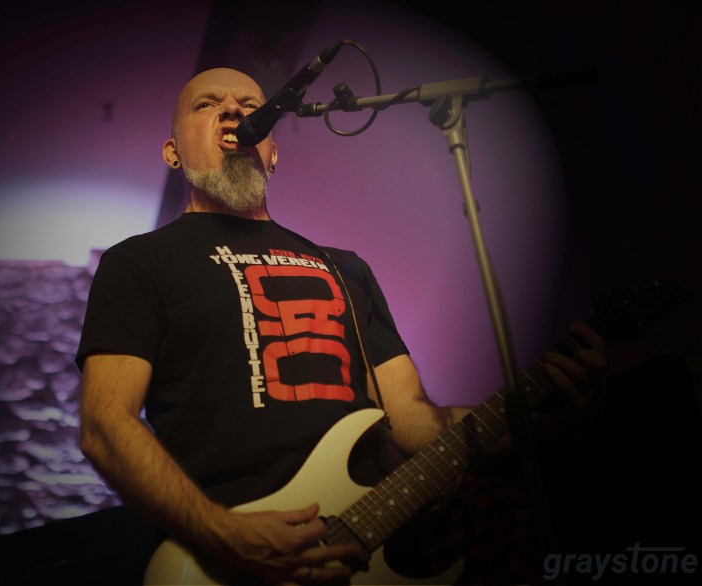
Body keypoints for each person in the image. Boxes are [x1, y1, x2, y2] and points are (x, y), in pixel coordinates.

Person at [75, 68, 606, 584]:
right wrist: (226, 533)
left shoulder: (345, 267)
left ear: (273, 152)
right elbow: (104, 425)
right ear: (173, 152)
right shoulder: (139, 262)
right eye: (208, 104)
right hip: (227, 558)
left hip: (364, 544)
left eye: (252, 106)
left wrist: (536, 405)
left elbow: (414, 423)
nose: (234, 110)